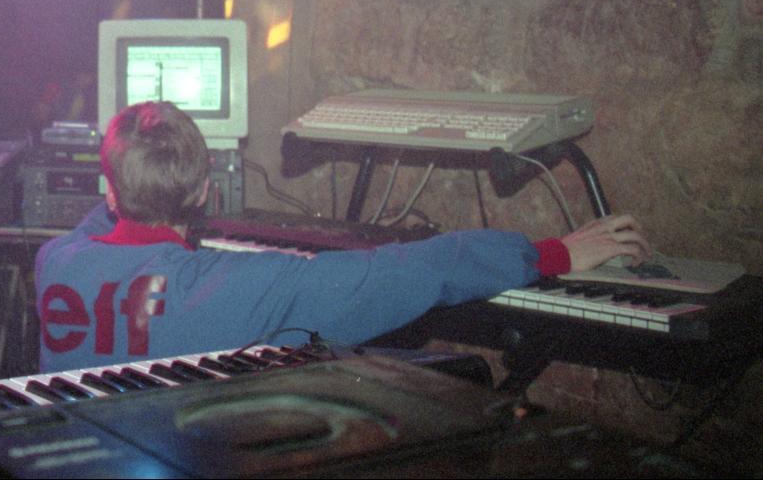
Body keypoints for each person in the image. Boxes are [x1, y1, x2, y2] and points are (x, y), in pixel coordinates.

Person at [35, 100, 651, 372]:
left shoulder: (54, 263)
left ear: (108, 190)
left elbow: (100, 225)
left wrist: (126, 180)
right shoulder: (238, 289)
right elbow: (409, 272)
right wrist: (554, 251)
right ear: (204, 193)